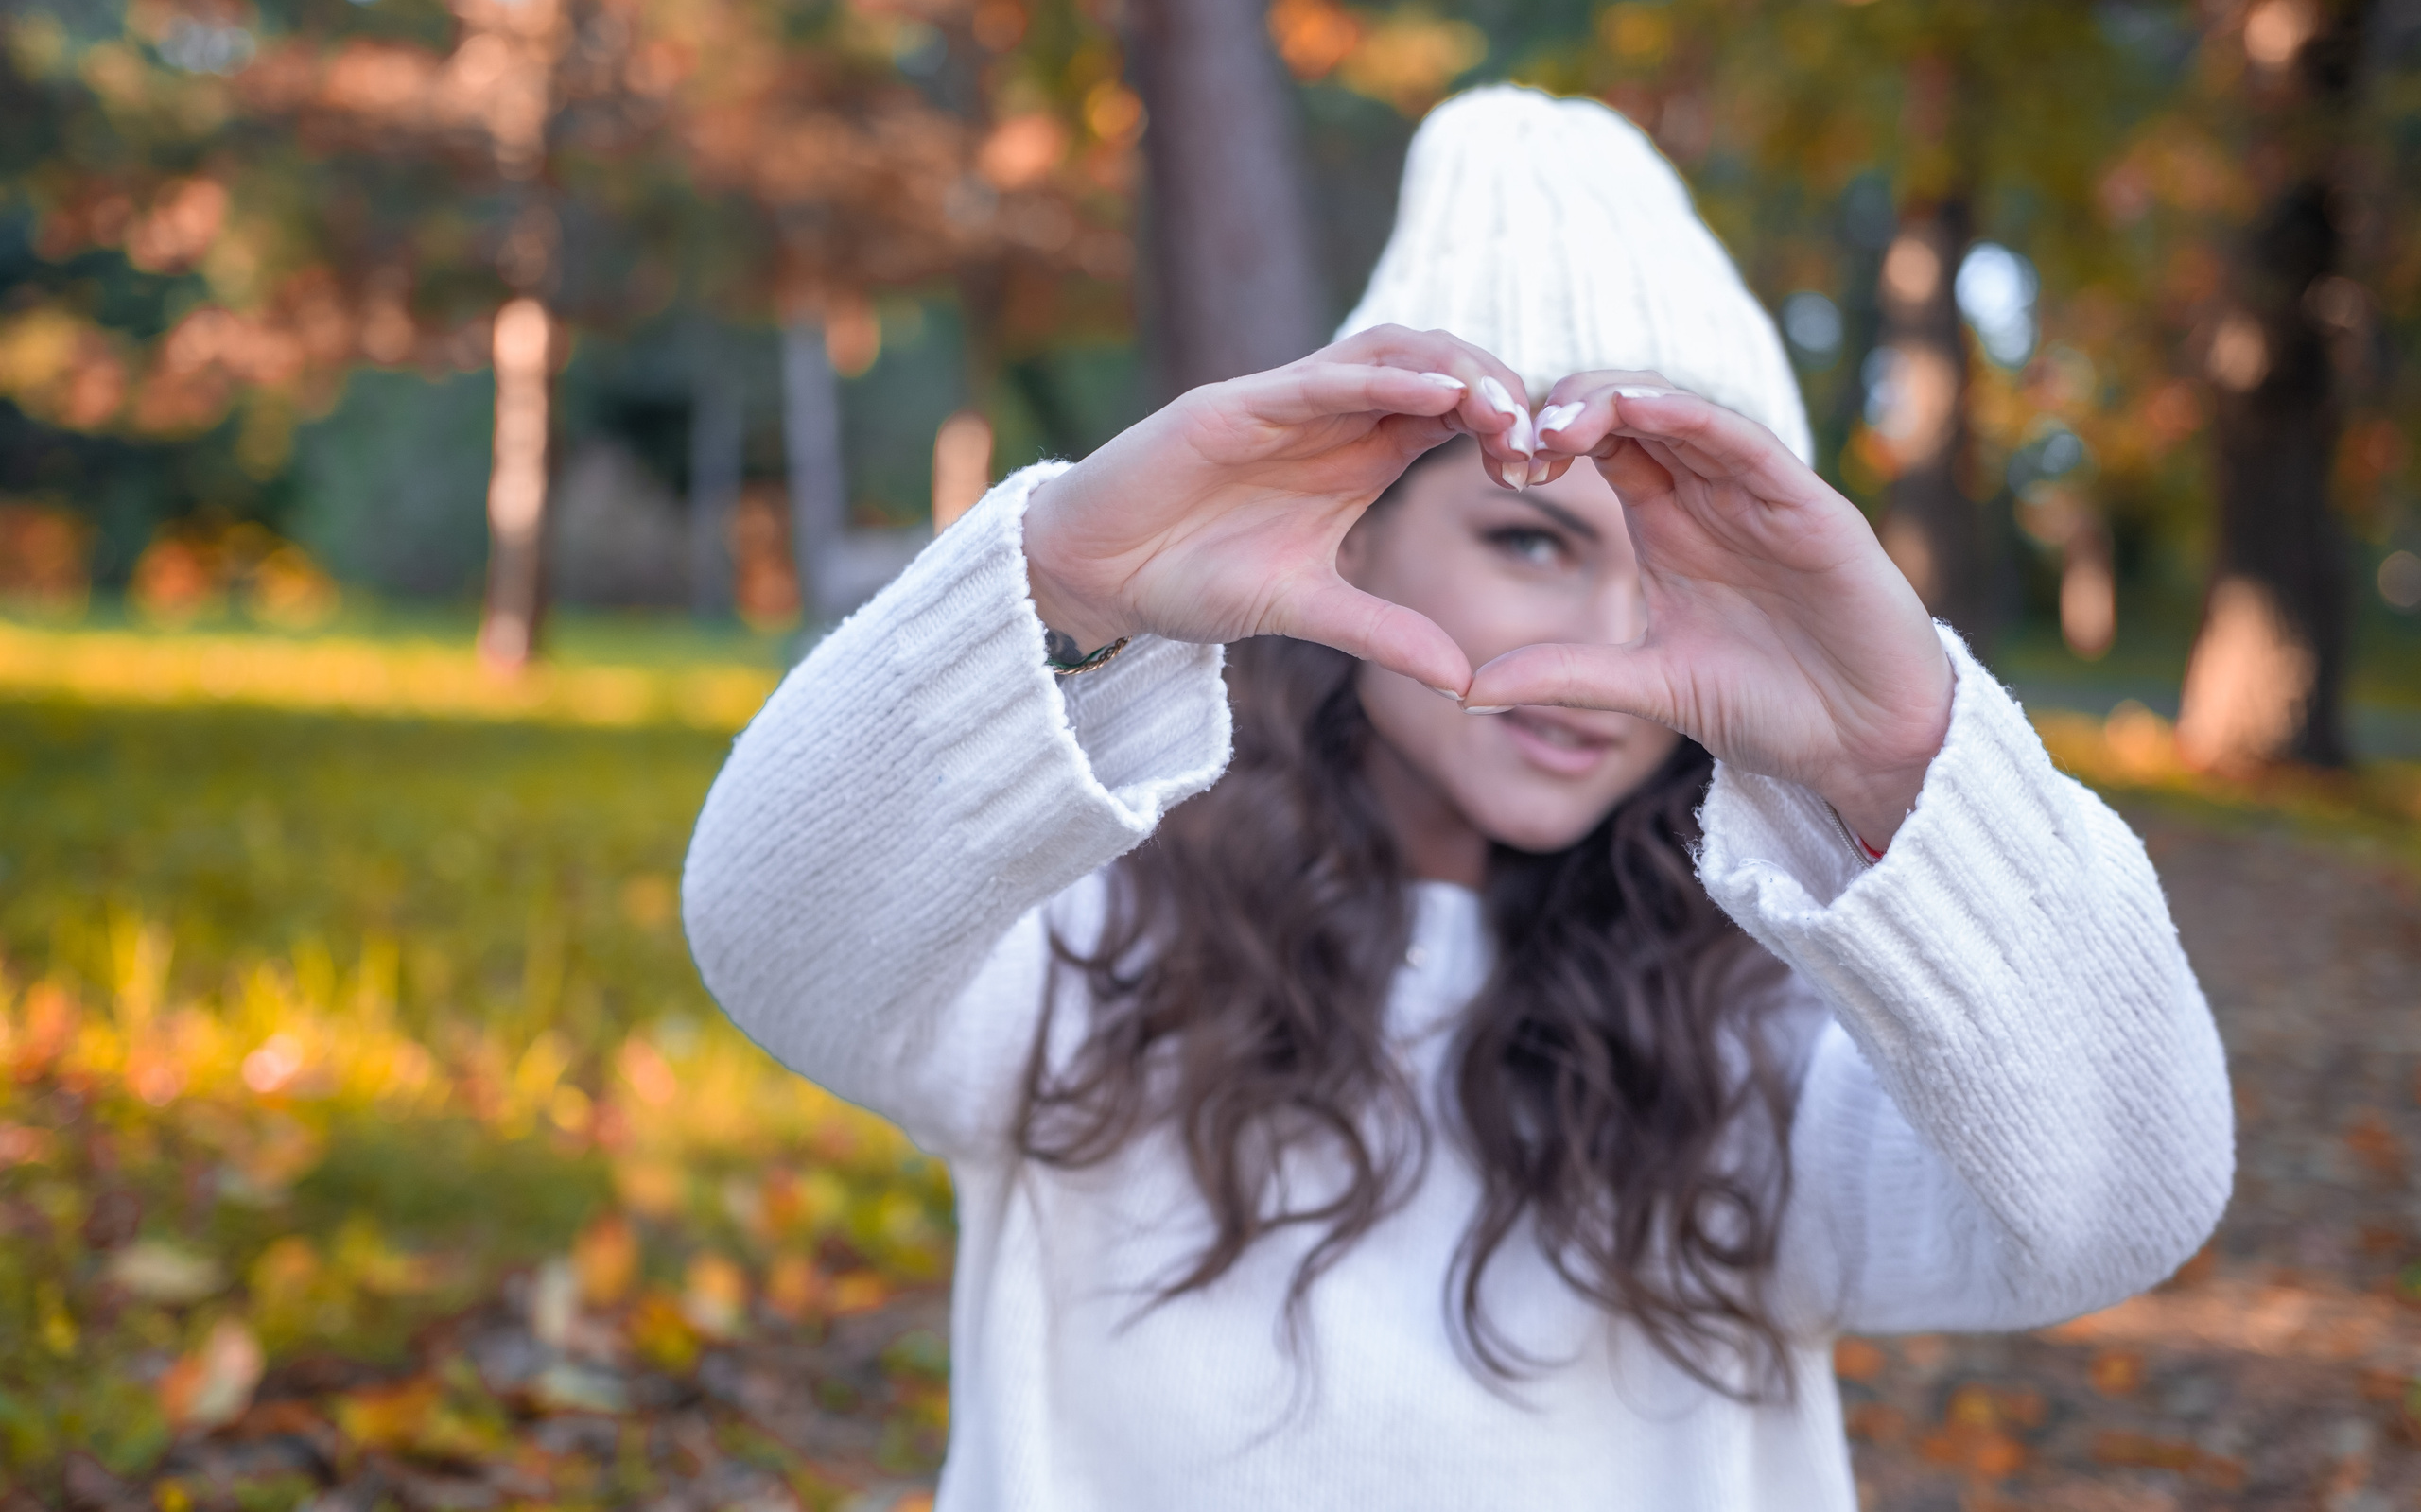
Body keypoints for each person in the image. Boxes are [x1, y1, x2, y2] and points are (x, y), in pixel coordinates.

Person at [683, 86, 2232, 1511]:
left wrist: (1904, 759)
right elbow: (773, 925)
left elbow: (2122, 1200)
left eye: (1688, 582)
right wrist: (1067, 582)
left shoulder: (1783, 1027)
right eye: (1536, 543)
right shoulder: (1090, 937)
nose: (1619, 649)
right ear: (1357, 532)